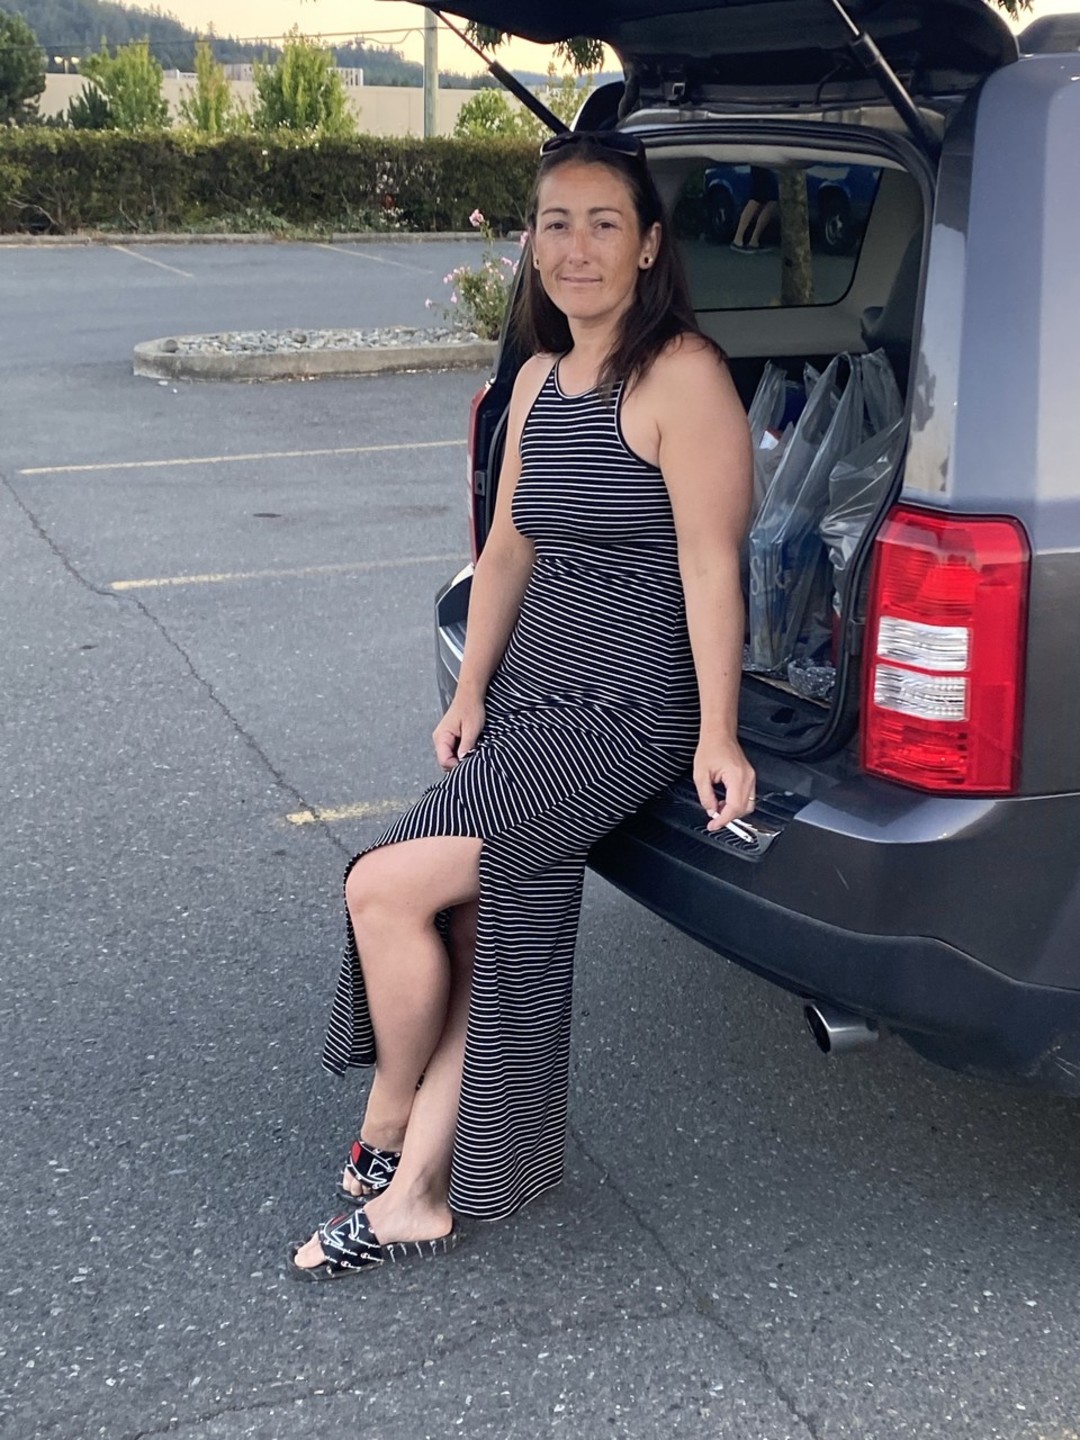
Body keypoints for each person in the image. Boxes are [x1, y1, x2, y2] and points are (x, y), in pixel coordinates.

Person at [288, 130, 755, 1281]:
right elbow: (506, 553)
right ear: (532, 245)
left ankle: (393, 1123)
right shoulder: (541, 379)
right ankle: (418, 1192)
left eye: (605, 224)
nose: (577, 247)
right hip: (533, 699)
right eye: (556, 223)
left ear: (648, 246)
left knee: (382, 885)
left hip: (624, 713)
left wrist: (717, 733)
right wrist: (472, 693)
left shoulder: (682, 377)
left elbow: (712, 565)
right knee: (477, 918)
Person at [731, 166, 780, 253]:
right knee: (756, 199)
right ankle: (738, 239)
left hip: (765, 166)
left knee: (771, 200)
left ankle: (753, 240)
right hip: (760, 165)